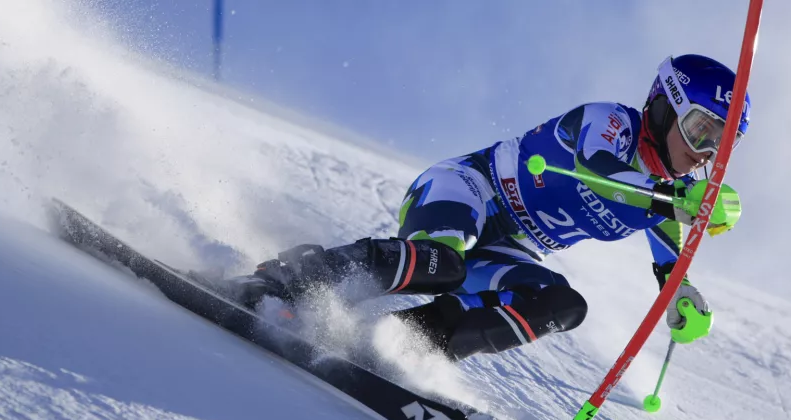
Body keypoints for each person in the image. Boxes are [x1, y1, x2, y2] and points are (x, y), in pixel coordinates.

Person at [231, 54, 750, 361]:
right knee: (443, 261)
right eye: (702, 129)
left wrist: (683, 295)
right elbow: (600, 171)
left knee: (562, 305)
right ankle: (285, 278)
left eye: (719, 146)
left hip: (508, 249)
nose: (702, 153)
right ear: (666, 104)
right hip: (470, 191)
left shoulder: (664, 195)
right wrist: (674, 199)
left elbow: (669, 266)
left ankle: (402, 347)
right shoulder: (612, 122)